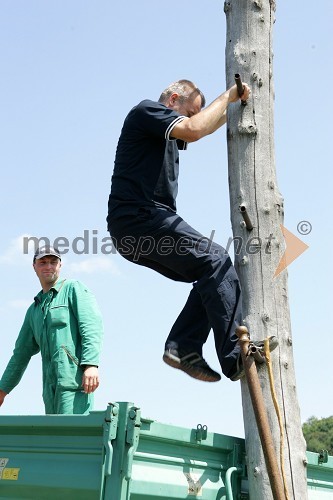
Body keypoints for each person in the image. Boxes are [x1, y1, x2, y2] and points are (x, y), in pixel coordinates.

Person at [107, 79, 274, 383]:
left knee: (210, 273)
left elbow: (204, 126)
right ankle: (235, 355)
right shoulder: (146, 111)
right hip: (140, 217)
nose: (188, 118)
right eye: (187, 111)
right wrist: (229, 94)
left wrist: (238, 105)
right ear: (172, 99)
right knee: (216, 259)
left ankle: (183, 347)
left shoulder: (163, 132)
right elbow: (196, 129)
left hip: (135, 227)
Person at [0, 246, 104, 414]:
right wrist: (2, 389)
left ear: (60, 265)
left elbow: (92, 327)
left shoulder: (73, 289)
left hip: (75, 384)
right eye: (43, 262)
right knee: (55, 437)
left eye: (53, 262)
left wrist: (91, 365)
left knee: (72, 436)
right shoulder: (34, 309)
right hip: (49, 388)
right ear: (34, 266)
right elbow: (20, 354)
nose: (48, 266)